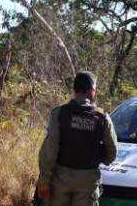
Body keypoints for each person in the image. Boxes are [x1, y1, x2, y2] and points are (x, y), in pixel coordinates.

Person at [36, 71, 118, 206]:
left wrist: (44, 179)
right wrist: (102, 158)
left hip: (61, 177)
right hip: (88, 178)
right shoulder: (102, 117)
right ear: (91, 91)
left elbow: (50, 148)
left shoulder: (59, 114)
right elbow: (112, 151)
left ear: (75, 89)